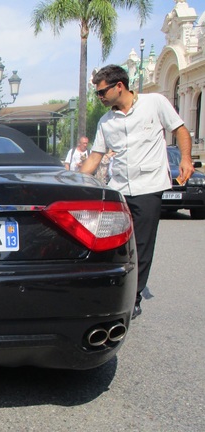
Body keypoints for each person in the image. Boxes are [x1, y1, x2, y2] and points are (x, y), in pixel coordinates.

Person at [80, 64, 194, 319]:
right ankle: (112, 287)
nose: (99, 98)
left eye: (102, 92)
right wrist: (72, 179)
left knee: (141, 244)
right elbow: (95, 157)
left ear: (119, 86)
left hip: (149, 187)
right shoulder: (106, 121)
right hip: (118, 189)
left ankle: (134, 296)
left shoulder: (155, 103)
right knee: (111, 242)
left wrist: (186, 159)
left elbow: (180, 130)